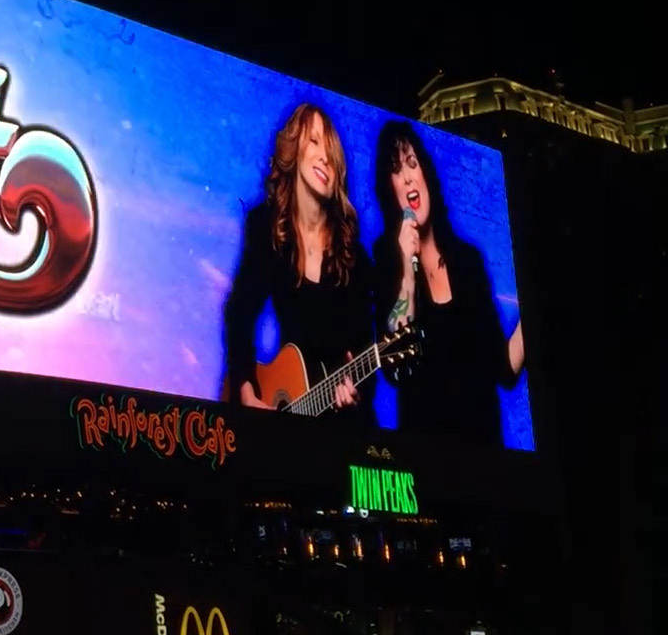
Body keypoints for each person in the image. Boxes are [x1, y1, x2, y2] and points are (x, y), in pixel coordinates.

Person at [219, 102, 379, 423]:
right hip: (285, 397)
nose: (325, 157)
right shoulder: (266, 226)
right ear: (294, 149)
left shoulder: (355, 259)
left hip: (341, 428)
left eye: (332, 153)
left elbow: (366, 359)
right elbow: (239, 314)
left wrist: (355, 391)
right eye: (314, 141)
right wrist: (247, 390)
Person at [371, 120, 525, 444]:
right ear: (390, 188)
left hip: (486, 457)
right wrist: (407, 269)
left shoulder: (467, 261)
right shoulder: (386, 262)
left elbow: (504, 370)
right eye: (398, 170)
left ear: (426, 174)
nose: (409, 176)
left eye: (413, 163)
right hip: (427, 462)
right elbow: (395, 369)